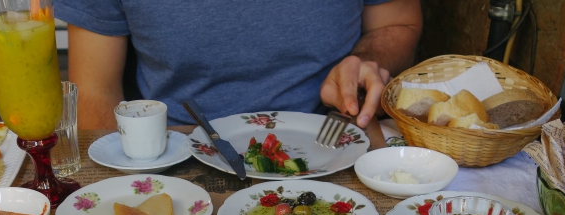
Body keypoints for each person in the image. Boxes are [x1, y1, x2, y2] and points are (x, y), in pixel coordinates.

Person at [57, 0, 422, 130]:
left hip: (332, 136)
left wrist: (366, 61)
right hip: (175, 154)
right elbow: (94, 90)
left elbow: (399, 24)